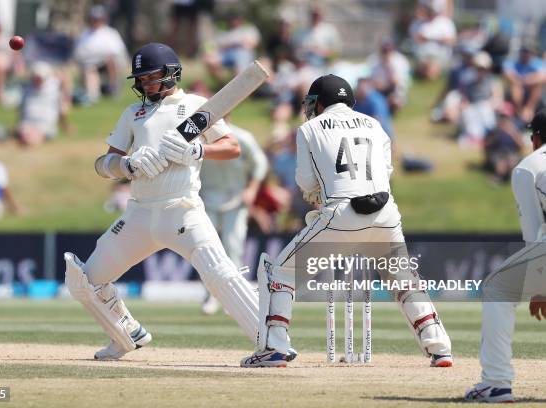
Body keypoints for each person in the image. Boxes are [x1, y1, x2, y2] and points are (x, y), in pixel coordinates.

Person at [63, 43, 296, 361]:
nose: (145, 84)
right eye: (141, 79)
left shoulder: (197, 106)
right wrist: (127, 165)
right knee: (84, 281)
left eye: (151, 77)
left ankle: (273, 345)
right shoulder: (133, 114)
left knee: (220, 274)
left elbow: (232, 148)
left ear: (172, 74)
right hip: (139, 214)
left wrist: (198, 151)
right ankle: (126, 333)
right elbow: (103, 164)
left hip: (182, 210)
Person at [241, 74, 452, 367]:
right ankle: (440, 347)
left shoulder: (309, 129)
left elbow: (305, 181)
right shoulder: (375, 124)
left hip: (341, 215)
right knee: (403, 279)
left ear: (319, 103)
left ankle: (274, 347)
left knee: (280, 273)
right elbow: (386, 170)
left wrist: (319, 196)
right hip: (385, 212)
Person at [465, 109, 546, 403]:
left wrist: (539, 289)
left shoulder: (530, 166)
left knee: (496, 288)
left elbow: (534, 235)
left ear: (535, 137)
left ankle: (496, 383)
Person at [199, 115, 268, 314]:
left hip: (235, 198)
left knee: (233, 246)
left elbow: (260, 164)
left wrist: (252, 189)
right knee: (207, 250)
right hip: (206, 198)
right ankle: (210, 295)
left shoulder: (241, 137)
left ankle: (235, 298)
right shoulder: (198, 138)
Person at [73, 5, 129, 104]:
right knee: (89, 68)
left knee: (110, 61)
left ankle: (113, 88)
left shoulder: (111, 33)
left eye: (98, 19)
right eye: (94, 19)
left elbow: (117, 51)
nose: (96, 21)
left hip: (107, 63)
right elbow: (79, 53)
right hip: (90, 63)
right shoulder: (85, 34)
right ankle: (92, 94)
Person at [15, 62, 63, 146]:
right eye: (35, 77)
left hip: (45, 124)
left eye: (40, 77)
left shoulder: (53, 88)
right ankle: (29, 139)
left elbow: (64, 79)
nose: (37, 80)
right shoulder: (26, 89)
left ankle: (33, 140)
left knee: (36, 133)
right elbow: (21, 111)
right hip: (28, 122)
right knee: (25, 131)